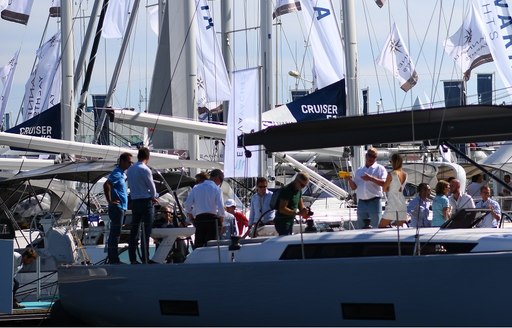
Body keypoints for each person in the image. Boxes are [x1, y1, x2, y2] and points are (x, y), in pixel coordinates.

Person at [126, 147, 159, 264]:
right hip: (146, 202)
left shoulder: (130, 170)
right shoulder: (145, 169)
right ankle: (145, 258)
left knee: (134, 230)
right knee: (146, 231)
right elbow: (152, 187)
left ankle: (132, 258)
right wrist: (154, 196)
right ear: (147, 157)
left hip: (135, 202)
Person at [345, 147, 387, 229]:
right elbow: (354, 187)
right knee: (361, 226)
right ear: (366, 156)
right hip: (361, 202)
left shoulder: (380, 168)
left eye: (374, 156)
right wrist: (349, 180)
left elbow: (384, 183)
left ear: (376, 158)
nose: (371, 158)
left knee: (376, 225)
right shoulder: (360, 170)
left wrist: (371, 178)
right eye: (370, 155)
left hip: (374, 201)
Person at [103, 152, 133, 264]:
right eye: (129, 162)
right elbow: (107, 184)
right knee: (115, 233)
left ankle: (113, 257)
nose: (130, 164)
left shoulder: (121, 174)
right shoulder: (117, 173)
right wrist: (110, 200)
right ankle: (113, 258)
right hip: (117, 207)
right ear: (122, 161)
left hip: (121, 207)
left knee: (116, 233)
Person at [184, 169, 225, 247]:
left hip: (199, 220)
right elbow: (221, 209)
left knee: (199, 246)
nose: (221, 183)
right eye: (221, 180)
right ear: (217, 177)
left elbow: (187, 205)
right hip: (212, 221)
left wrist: (191, 217)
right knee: (211, 247)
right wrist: (222, 224)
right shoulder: (217, 189)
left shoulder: (196, 188)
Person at [379, 153, 408, 228]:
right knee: (399, 229)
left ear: (393, 162)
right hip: (402, 202)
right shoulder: (405, 174)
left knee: (381, 226)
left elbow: (384, 189)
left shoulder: (391, 174)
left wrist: (389, 187)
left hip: (393, 203)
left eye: (391, 161)